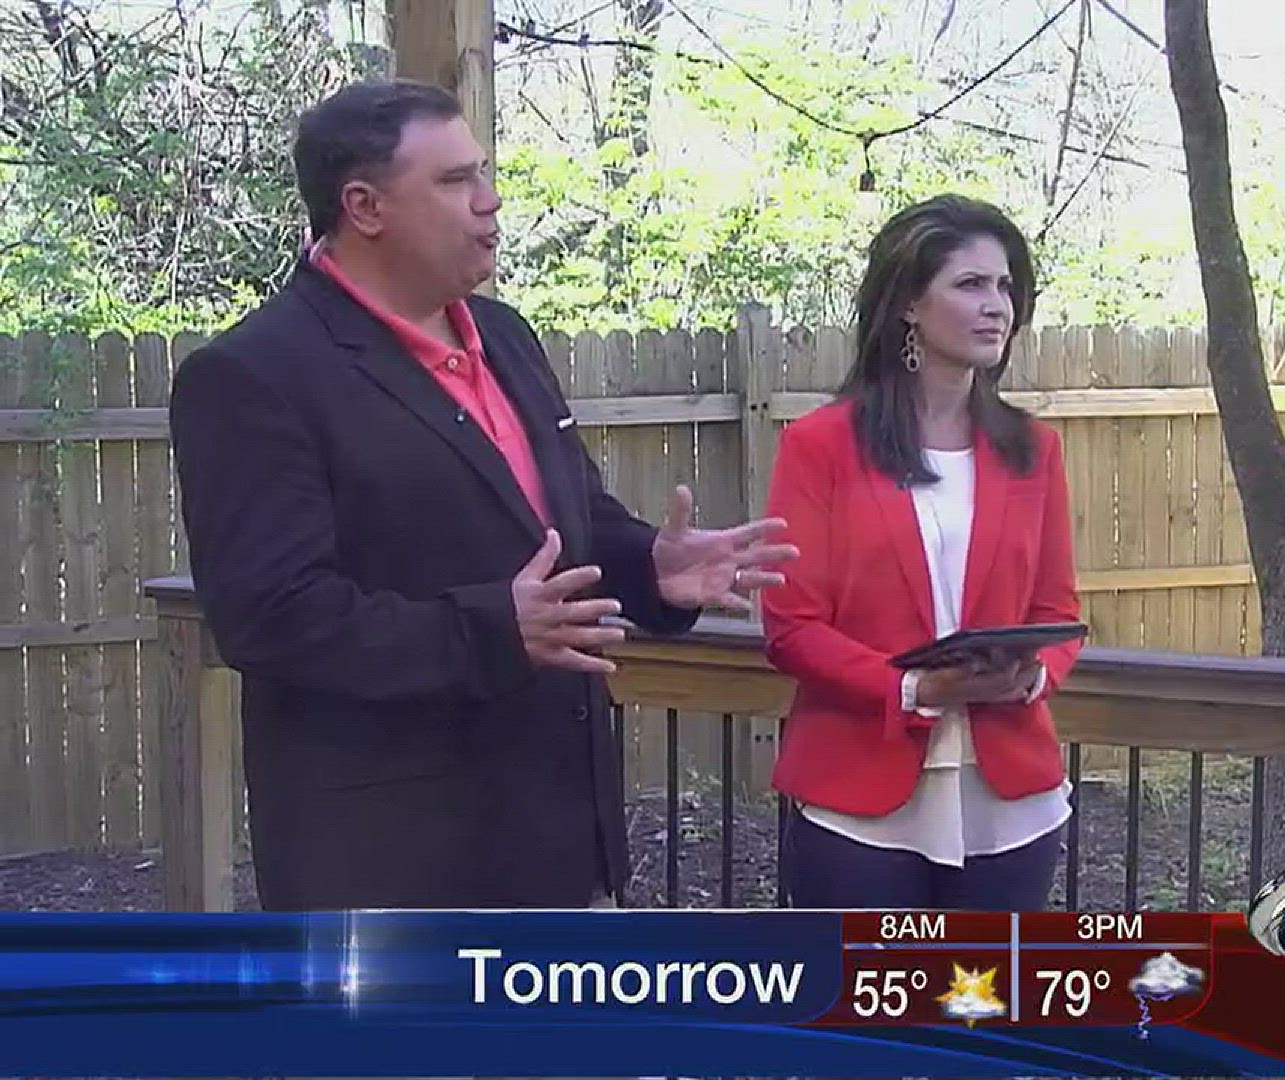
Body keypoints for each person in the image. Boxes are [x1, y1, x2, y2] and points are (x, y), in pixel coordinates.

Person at [168, 80, 796, 911]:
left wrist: (652, 564)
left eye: (484, 174)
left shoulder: (504, 336)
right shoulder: (256, 375)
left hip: (564, 845)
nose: (490, 202)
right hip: (395, 871)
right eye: (456, 181)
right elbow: (272, 617)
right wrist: (490, 629)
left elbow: (562, 526)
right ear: (364, 205)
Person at [759, 195, 1082, 911]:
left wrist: (1029, 678)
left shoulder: (1034, 450)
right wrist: (912, 690)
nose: (996, 305)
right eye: (971, 285)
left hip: (1011, 797)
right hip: (858, 797)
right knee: (867, 1017)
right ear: (909, 303)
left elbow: (1058, 612)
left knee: (983, 1016)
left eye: (1005, 287)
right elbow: (792, 627)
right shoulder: (821, 446)